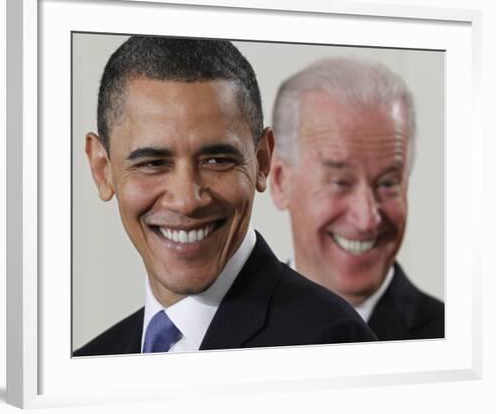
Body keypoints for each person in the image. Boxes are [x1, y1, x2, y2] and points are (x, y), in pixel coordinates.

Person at [74, 38, 376, 356]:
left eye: (217, 161)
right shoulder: (88, 365)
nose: (187, 200)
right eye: (153, 163)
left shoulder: (330, 343)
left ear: (262, 160)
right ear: (102, 168)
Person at [270, 58, 444, 341]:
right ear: (280, 181)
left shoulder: (461, 339)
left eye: (388, 183)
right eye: (340, 182)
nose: (367, 218)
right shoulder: (220, 332)